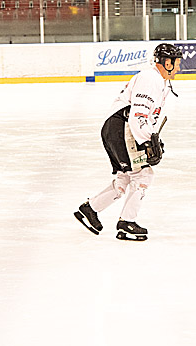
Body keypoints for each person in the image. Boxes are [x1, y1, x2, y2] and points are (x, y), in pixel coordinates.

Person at [74, 43, 181, 241]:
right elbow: (137, 115)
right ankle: (126, 223)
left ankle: (90, 209)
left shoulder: (159, 81)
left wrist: (152, 137)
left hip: (118, 128)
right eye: (176, 63)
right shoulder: (151, 78)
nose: (178, 68)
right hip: (123, 128)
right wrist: (148, 140)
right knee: (143, 175)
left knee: (125, 177)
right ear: (167, 62)